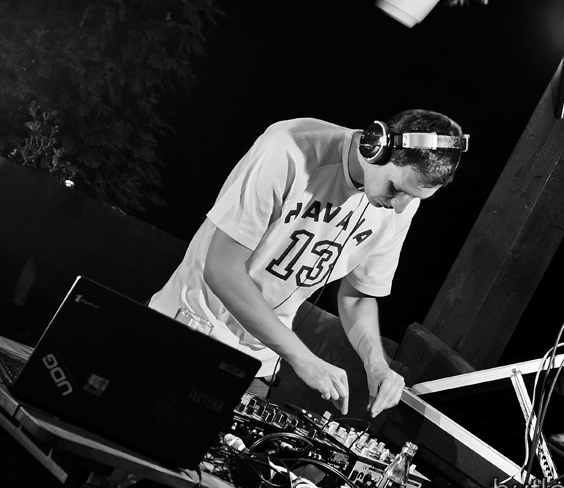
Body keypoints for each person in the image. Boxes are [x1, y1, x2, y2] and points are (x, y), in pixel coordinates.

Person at [149, 109, 468, 418]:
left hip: (258, 364)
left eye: (413, 197)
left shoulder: (401, 205)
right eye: (396, 188)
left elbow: (358, 296)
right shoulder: (288, 148)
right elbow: (222, 269)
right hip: (187, 332)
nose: (399, 206)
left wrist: (376, 363)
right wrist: (302, 357)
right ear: (376, 147)